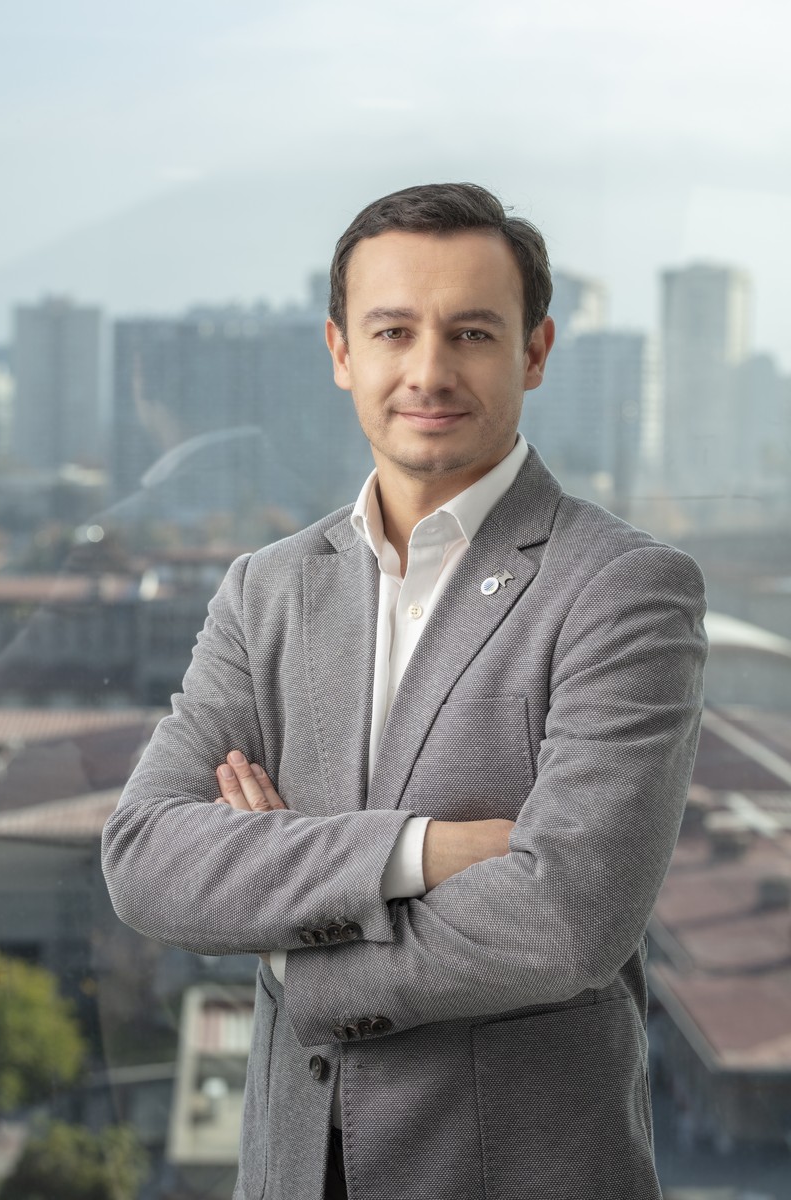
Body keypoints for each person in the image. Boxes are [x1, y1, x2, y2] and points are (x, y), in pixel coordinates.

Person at [101, 182, 707, 1200]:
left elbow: (564, 919)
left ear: (534, 351)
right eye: (393, 332)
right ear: (341, 351)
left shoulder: (623, 588)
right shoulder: (267, 589)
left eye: (471, 333)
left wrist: (291, 946)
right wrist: (421, 851)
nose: (428, 372)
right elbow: (145, 858)